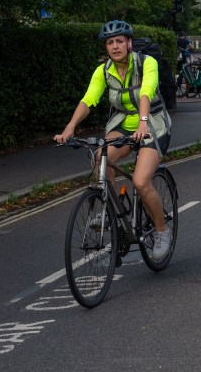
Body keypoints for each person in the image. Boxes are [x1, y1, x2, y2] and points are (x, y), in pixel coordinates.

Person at [54, 20, 173, 259]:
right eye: (110, 42)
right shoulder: (103, 70)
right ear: (106, 47)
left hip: (152, 123)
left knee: (140, 181)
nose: (115, 46)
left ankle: (161, 230)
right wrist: (70, 127)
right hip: (122, 123)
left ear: (129, 43)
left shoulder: (146, 63)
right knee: (100, 157)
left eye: (120, 41)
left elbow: (147, 90)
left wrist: (142, 122)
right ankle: (109, 210)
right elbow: (89, 99)